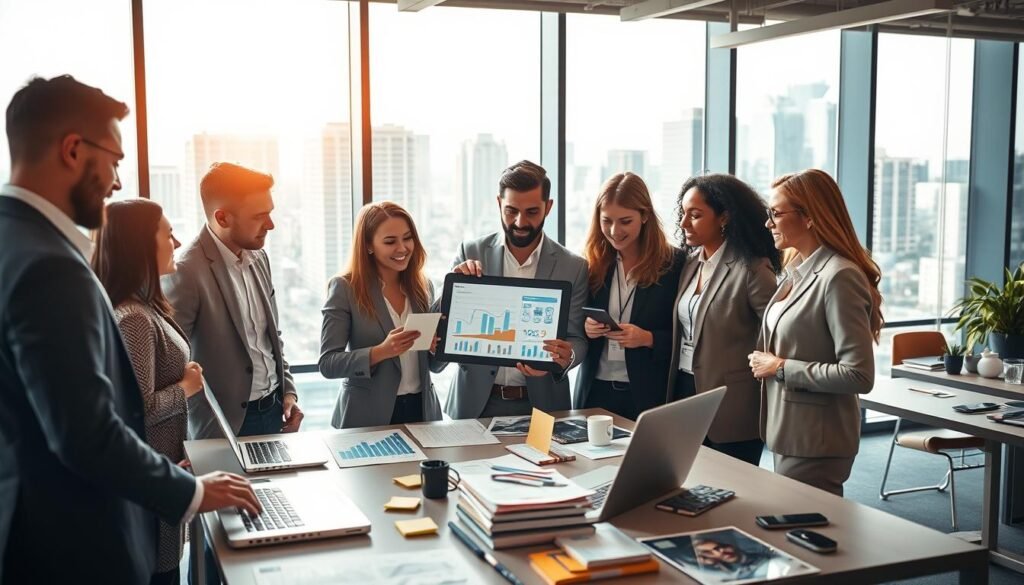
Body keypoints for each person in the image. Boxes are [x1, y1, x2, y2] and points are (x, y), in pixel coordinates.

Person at [0, 75, 258, 584]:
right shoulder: (50, 264)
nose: (117, 181)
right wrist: (195, 492)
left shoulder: (12, 240)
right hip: (71, 546)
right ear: (74, 150)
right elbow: (86, 433)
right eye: (115, 160)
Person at [748, 169, 881, 496]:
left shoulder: (839, 277)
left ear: (809, 217)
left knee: (811, 534)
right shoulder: (797, 271)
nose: (769, 223)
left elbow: (858, 375)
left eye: (776, 214)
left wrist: (780, 367)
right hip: (788, 429)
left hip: (817, 439)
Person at [92, 199, 205, 585]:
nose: (175, 242)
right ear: (140, 244)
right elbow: (135, 411)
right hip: (149, 490)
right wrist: (186, 388)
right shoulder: (135, 318)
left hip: (165, 469)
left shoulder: (148, 307)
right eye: (166, 233)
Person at [163, 162, 302, 439]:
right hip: (222, 425)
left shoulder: (259, 257)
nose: (271, 225)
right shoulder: (186, 271)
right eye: (260, 216)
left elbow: (271, 335)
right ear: (222, 218)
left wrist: (288, 391)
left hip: (275, 410)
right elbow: (172, 365)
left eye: (270, 213)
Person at [443, 160, 588, 419]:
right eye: (511, 211)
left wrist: (567, 357)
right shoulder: (471, 252)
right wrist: (454, 287)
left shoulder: (573, 266)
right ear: (499, 204)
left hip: (542, 406)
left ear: (549, 207)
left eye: (532, 212)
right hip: (475, 404)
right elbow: (443, 326)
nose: (520, 222)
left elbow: (577, 338)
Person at [667, 174, 781, 466]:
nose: (684, 223)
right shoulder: (690, 263)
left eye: (695, 215)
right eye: (683, 213)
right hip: (684, 388)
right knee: (688, 482)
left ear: (724, 217)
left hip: (732, 400)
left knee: (732, 491)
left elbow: (778, 333)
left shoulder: (752, 269)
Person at [319, 201, 443, 428]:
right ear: (368, 245)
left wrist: (437, 347)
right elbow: (328, 364)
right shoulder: (345, 288)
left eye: (407, 238)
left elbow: (434, 366)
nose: (403, 248)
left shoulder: (424, 287)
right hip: (367, 415)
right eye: (390, 241)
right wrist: (380, 352)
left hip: (422, 412)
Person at [574, 172, 683, 420]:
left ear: (645, 216)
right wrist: (587, 329)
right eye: (606, 221)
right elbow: (571, 327)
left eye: (625, 221)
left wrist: (648, 338)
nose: (614, 231)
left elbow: (687, 336)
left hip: (646, 394)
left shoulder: (673, 265)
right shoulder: (592, 263)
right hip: (595, 391)